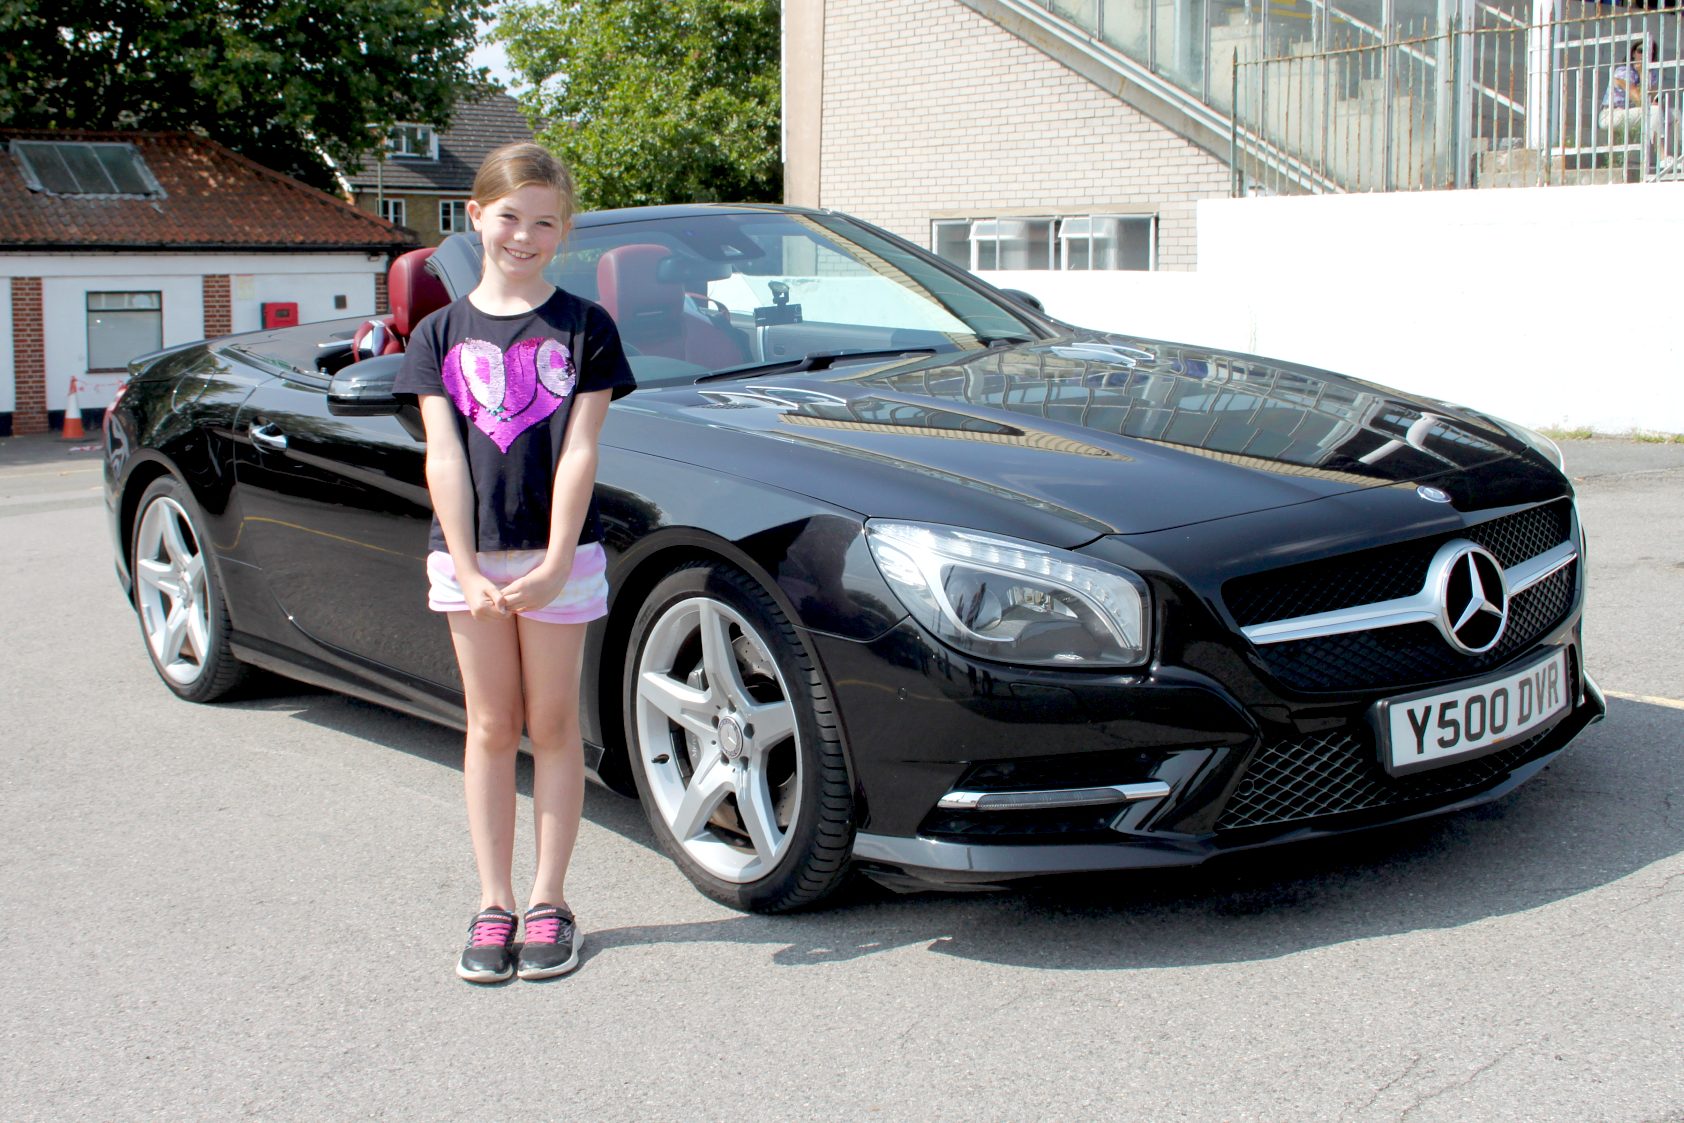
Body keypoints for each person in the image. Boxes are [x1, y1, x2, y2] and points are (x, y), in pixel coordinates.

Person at [393, 142, 636, 983]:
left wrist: (560, 557)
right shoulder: (438, 334)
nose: (523, 236)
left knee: (555, 725)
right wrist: (463, 562)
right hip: (469, 563)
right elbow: (445, 455)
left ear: (562, 231)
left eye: (543, 222)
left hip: (560, 556)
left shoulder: (586, 328)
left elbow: (580, 452)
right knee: (492, 728)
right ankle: (493, 902)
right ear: (475, 217)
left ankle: (549, 901)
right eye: (509, 217)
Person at [1601, 40, 1666, 165]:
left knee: (1673, 114)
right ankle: (1662, 157)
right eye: (1641, 51)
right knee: (1654, 111)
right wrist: (1642, 73)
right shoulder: (1623, 71)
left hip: (1633, 113)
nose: (1644, 55)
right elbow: (1640, 100)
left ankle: (1676, 155)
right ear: (1633, 53)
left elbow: (1652, 98)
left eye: (1649, 53)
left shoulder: (1652, 74)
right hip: (1611, 114)